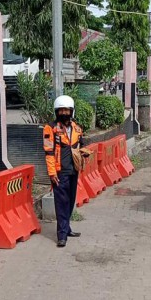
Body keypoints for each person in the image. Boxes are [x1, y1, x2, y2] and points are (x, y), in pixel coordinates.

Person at [43, 95, 87, 248]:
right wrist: (52, 173)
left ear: (71, 111)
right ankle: (61, 235)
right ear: (56, 112)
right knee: (61, 203)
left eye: (66, 110)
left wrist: (84, 153)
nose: (64, 113)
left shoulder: (77, 128)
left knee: (70, 201)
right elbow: (48, 152)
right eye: (61, 110)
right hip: (59, 172)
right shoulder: (50, 128)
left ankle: (67, 228)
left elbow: (81, 146)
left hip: (73, 171)